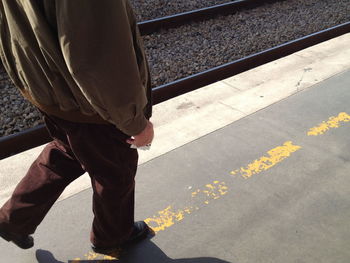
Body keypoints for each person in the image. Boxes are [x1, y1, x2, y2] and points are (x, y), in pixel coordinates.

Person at [0, 0, 154, 255]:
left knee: (67, 150)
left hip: (47, 84)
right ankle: (113, 236)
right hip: (88, 104)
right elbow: (97, 59)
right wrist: (136, 122)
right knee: (115, 172)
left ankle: (13, 220)